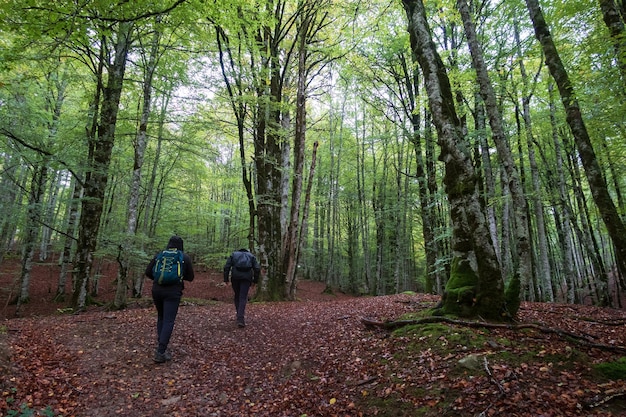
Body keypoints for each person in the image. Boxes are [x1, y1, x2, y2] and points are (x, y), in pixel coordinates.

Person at [145, 236, 194, 363]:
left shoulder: (160, 255)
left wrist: (158, 279)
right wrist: (179, 277)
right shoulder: (184, 257)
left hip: (156, 290)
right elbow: (191, 277)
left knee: (161, 317)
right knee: (169, 320)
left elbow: (148, 271)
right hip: (173, 292)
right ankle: (161, 351)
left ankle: (161, 346)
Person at [223, 248, 261, 327]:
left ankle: (239, 316)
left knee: (237, 295)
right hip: (247, 278)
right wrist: (255, 281)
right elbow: (257, 268)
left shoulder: (234, 255)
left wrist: (226, 279)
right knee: (243, 297)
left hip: (235, 277)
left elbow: (227, 267)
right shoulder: (251, 256)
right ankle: (240, 318)